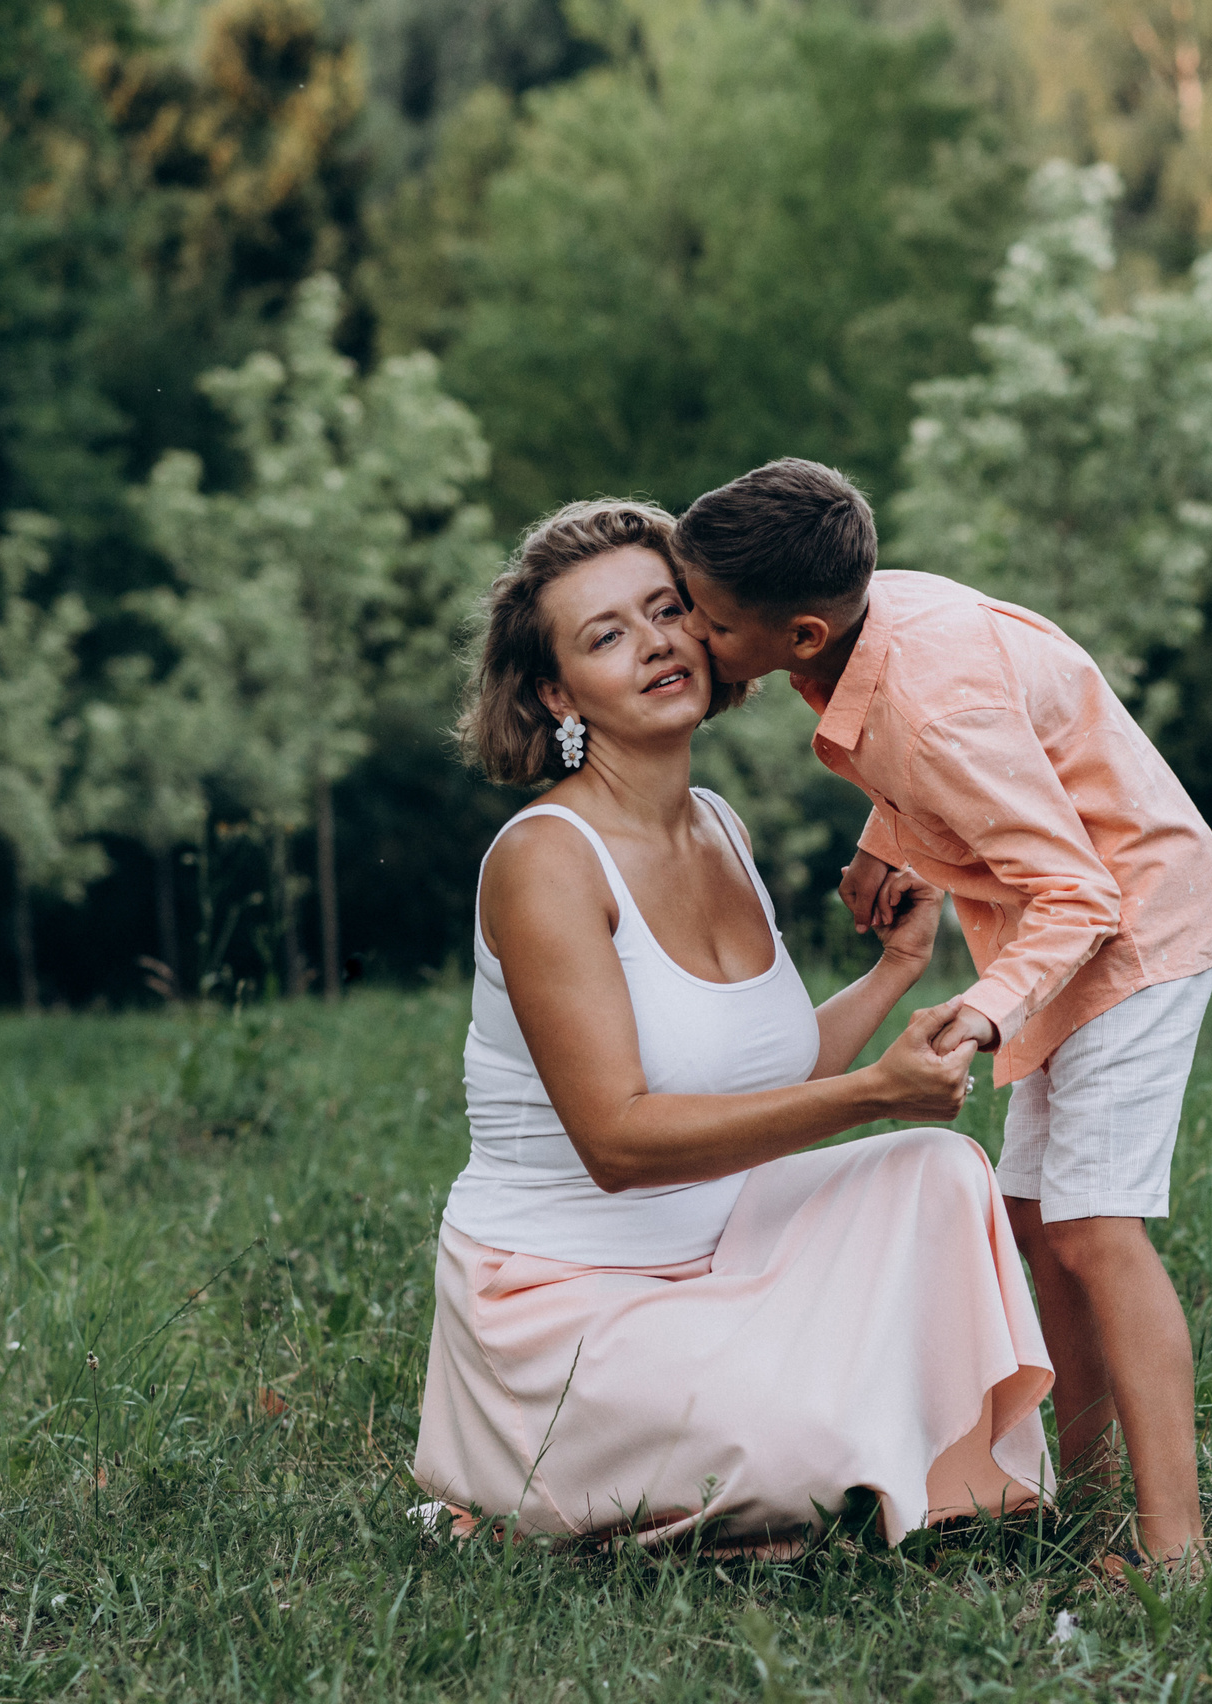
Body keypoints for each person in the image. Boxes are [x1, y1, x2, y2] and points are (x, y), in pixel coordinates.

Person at [411, 497, 1054, 1551]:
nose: (656, 642)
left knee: (938, 1169)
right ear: (556, 691)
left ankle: (843, 1451)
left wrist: (894, 970)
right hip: (562, 1305)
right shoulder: (544, 863)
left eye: (665, 609)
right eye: (605, 635)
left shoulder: (716, 823)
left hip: (720, 1250)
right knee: (807, 1447)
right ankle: (538, 1473)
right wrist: (871, 1095)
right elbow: (617, 1145)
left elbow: (765, 1069)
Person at [674, 460, 1212, 1567]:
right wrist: (883, 847)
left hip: (1136, 931)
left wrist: (983, 1014)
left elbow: (1077, 887)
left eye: (709, 622)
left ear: (799, 633)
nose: (694, 640)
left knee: (1093, 1229)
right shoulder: (872, 625)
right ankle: (1084, 1504)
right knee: (1039, 1224)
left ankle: (1175, 1555)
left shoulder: (930, 705)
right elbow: (976, 783)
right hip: (1066, 928)